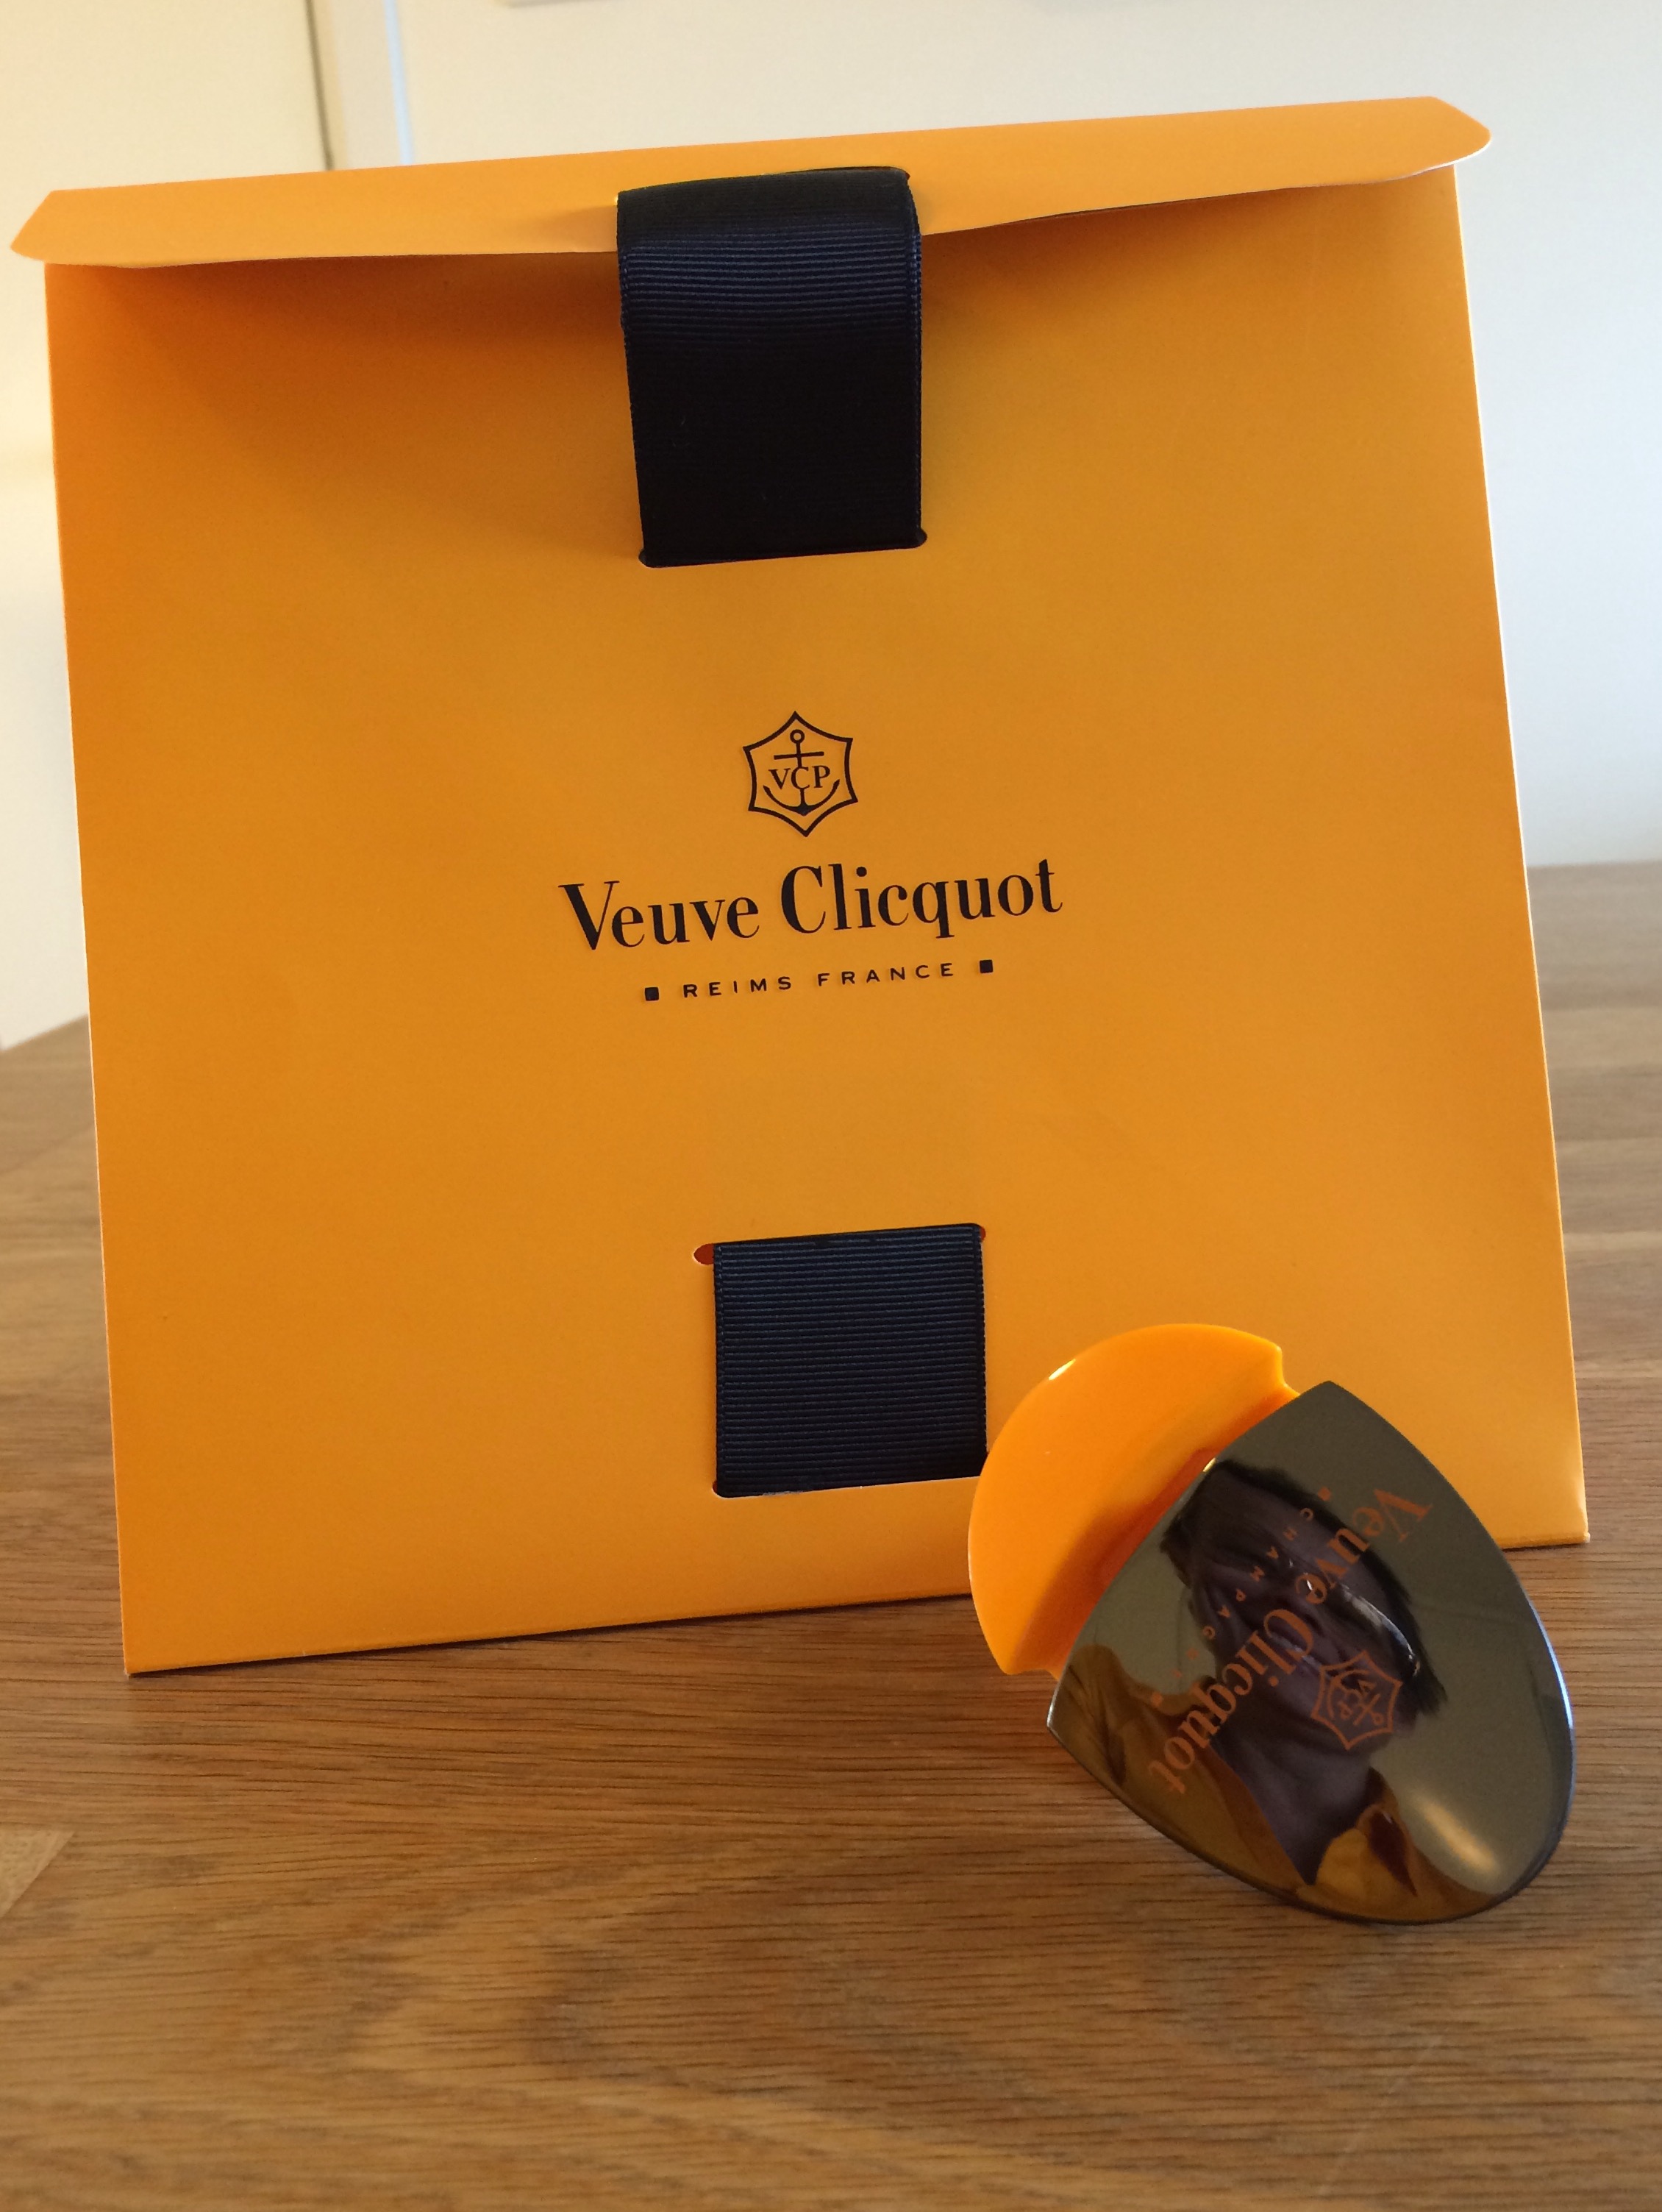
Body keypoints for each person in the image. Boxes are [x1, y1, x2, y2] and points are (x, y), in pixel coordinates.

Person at [1050, 1458, 1488, 1921]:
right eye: (1256, 1560)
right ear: (1193, 1578)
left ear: (1403, 1713)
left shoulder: (1454, 1912)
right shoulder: (1096, 1700)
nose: (1298, 1597)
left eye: (1351, 1614)